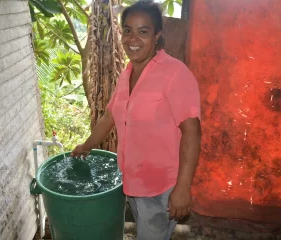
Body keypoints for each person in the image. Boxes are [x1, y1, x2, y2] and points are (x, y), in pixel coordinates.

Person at [71, 1, 202, 239]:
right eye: (128, 30)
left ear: (157, 35)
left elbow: (192, 132)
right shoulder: (127, 74)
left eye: (143, 31)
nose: (133, 38)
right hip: (133, 179)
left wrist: (182, 188)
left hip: (161, 186)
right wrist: (86, 145)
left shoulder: (175, 73)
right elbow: (111, 115)